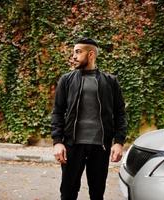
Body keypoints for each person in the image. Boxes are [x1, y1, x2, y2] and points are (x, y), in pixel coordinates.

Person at [51, 37, 127, 200]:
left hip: (100, 148)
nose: (74, 56)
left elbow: (120, 113)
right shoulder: (66, 80)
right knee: (68, 193)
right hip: (73, 146)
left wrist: (119, 142)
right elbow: (58, 111)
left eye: (78, 52)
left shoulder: (110, 82)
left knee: (97, 194)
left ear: (91, 54)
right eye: (74, 52)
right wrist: (57, 142)